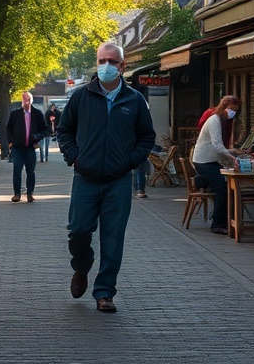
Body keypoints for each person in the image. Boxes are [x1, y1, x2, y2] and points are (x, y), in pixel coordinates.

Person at [57, 42, 156, 313]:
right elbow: (64, 130)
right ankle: (82, 266)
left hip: (118, 181)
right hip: (85, 179)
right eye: (102, 60)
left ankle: (104, 293)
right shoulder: (80, 97)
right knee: (78, 231)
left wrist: (130, 161)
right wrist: (74, 156)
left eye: (112, 61)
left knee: (113, 238)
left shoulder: (134, 100)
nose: (106, 66)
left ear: (122, 66)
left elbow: (147, 136)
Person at [191, 97, 240, 234]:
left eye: (235, 111)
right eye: (231, 110)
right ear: (224, 107)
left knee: (226, 186)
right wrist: (232, 157)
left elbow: (219, 147)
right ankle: (218, 223)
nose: (233, 113)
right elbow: (217, 145)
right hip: (204, 161)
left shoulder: (222, 121)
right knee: (222, 187)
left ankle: (230, 220)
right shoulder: (214, 120)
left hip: (211, 161)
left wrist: (232, 152)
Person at [6, 91, 47, 202]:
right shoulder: (15, 114)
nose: (26, 101)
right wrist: (10, 142)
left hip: (30, 147)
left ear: (31, 100)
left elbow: (45, 129)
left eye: (28, 99)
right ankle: (17, 194)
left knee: (31, 171)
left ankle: (30, 193)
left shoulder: (37, 114)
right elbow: (8, 129)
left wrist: (37, 137)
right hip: (17, 147)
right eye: (24, 99)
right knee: (17, 170)